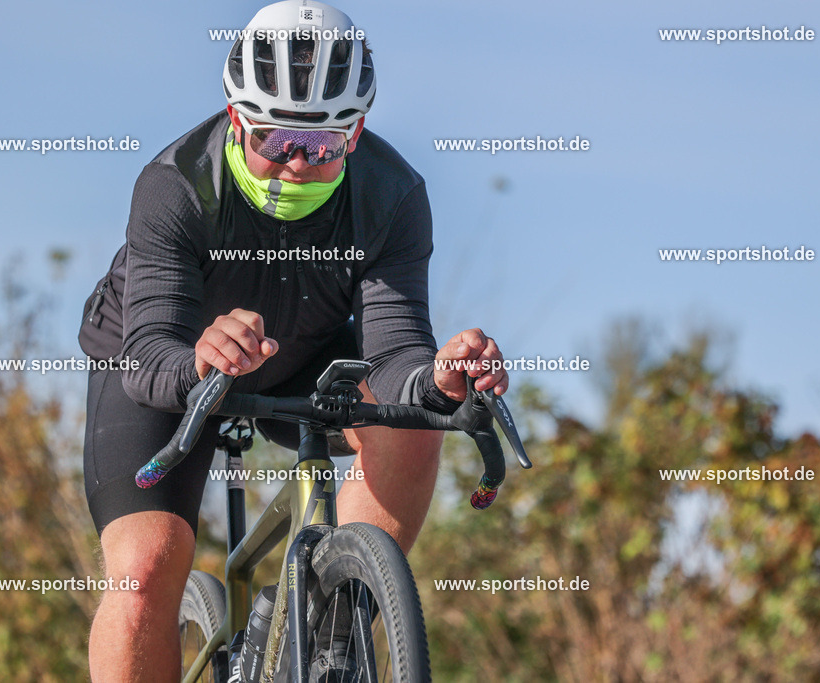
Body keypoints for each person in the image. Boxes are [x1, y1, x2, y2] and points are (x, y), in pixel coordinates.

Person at [77, 1, 509, 680]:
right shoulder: (176, 186)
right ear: (235, 119)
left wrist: (439, 379)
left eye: (324, 146)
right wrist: (198, 358)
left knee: (419, 420)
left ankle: (333, 627)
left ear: (357, 132)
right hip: (160, 365)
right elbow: (151, 351)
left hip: (298, 357)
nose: (297, 165)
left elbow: (396, 353)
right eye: (276, 143)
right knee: (142, 576)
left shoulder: (391, 196)